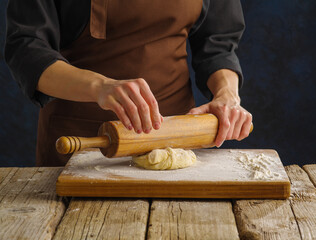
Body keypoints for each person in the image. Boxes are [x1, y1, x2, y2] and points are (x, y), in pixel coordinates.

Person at [5, 0, 252, 166]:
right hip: (80, 144)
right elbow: (26, 48)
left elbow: (217, 45)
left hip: (176, 142)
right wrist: (99, 86)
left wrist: (227, 94)